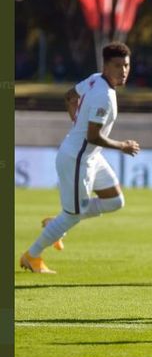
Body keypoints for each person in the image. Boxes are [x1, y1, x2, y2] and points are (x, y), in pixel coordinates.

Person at [19, 43, 140, 274]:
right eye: (117, 66)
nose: (123, 71)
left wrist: (76, 121)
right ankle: (32, 256)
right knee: (73, 215)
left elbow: (69, 97)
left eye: (126, 65)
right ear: (105, 66)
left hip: (91, 157)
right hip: (77, 160)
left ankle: (57, 223)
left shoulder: (95, 79)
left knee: (115, 201)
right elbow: (93, 136)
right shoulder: (103, 96)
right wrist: (123, 145)